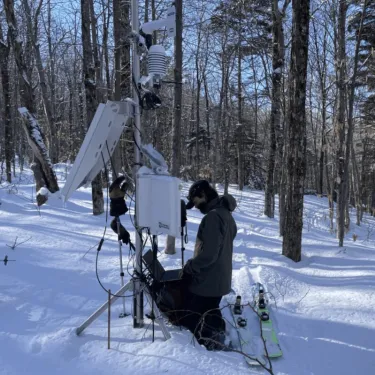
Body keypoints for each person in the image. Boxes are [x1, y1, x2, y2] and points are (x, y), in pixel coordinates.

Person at [179, 180, 237, 350]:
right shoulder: (225, 214)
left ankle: (210, 345)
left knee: (193, 314)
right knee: (210, 309)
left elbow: (209, 254)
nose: (196, 207)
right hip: (219, 277)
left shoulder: (213, 217)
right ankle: (219, 337)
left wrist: (191, 267)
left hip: (208, 279)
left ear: (203, 195)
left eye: (196, 202)